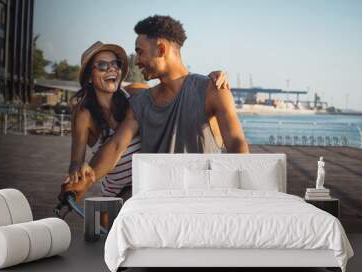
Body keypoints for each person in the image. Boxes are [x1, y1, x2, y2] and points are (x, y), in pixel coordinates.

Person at [61, 15, 249, 201]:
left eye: (140, 52)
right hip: (155, 210)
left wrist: (241, 201)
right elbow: (115, 145)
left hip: (201, 206)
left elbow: (237, 146)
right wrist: (84, 181)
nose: (135, 61)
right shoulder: (140, 102)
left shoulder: (212, 90)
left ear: (160, 49)